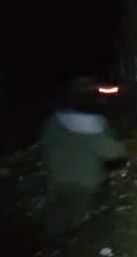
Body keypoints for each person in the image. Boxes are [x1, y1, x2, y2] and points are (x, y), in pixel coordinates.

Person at [41, 76, 126, 240]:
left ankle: (49, 254)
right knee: (77, 227)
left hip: (57, 182)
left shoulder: (53, 122)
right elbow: (114, 153)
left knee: (54, 222)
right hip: (84, 185)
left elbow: (45, 145)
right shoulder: (95, 125)